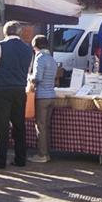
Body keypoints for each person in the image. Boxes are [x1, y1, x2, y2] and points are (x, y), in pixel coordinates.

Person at [0, 20, 35, 169]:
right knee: (19, 125)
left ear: (5, 32)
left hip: (2, 89)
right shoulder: (27, 49)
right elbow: (28, 69)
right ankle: (20, 158)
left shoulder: (0, 46)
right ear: (19, 32)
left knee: (0, 126)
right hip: (19, 89)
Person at [29, 34, 59, 163]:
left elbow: (37, 77)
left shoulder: (40, 57)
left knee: (40, 126)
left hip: (41, 96)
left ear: (34, 46)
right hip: (52, 95)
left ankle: (42, 155)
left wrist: (29, 77)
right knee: (46, 126)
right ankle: (47, 153)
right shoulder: (51, 58)